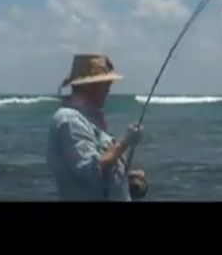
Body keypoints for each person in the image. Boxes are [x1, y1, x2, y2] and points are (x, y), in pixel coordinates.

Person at [46, 53, 148, 201]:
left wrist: (127, 176)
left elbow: (101, 166)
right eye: (105, 84)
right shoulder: (69, 120)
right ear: (90, 86)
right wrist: (125, 142)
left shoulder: (88, 120)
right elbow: (91, 171)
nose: (108, 89)